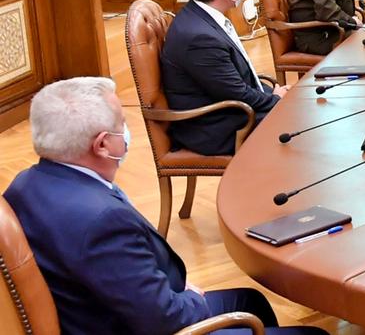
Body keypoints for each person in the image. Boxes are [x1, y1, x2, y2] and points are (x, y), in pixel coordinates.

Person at [2, 78, 325, 335]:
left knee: (249, 300)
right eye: (121, 124)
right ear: (102, 144)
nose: (127, 133)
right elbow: (163, 319)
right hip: (134, 324)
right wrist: (189, 297)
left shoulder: (24, 184)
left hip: (103, 307)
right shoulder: (101, 221)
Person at [162, 0, 286, 156]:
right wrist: (276, 100)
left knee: (296, 112)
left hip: (230, 109)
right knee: (294, 123)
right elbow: (235, 92)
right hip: (214, 127)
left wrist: (271, 94)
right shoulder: (199, 38)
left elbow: (236, 80)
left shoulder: (202, 17)